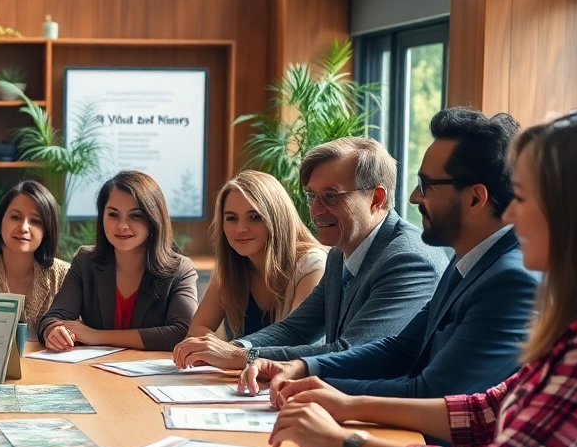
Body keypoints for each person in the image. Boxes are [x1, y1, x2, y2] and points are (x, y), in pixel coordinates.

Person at [214, 106, 577, 447]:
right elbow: (483, 407)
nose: (512, 214)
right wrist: (342, 400)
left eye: (522, 197)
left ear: (576, 212)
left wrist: (346, 442)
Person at [241, 109, 536, 404]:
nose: (414, 198)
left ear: (475, 198)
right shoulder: (467, 262)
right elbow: (400, 349)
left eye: (427, 186)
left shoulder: (509, 280)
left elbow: (432, 394)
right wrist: (303, 368)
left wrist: (319, 391)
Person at [175, 137, 448, 372]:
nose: (315, 210)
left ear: (376, 199)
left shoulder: (408, 259)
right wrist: (233, 348)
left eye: (330, 196)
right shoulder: (340, 253)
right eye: (311, 196)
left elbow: (351, 352)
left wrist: (243, 356)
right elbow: (296, 329)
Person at [39, 171, 199, 351]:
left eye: (135, 216)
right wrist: (53, 331)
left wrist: (97, 336)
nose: (122, 226)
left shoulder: (180, 269)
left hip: (151, 369)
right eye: (113, 215)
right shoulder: (85, 261)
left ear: (153, 219)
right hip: (92, 367)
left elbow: (183, 332)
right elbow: (53, 318)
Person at [184, 170, 327, 342]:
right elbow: (197, 329)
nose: (240, 229)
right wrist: (219, 350)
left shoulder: (312, 265)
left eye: (254, 217)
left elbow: (297, 341)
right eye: (231, 218)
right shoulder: (229, 267)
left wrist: (228, 351)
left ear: (277, 218)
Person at [0, 180, 71, 329]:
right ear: (0, 222)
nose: (24, 228)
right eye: (15, 217)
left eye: (35, 221)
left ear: (47, 231)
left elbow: (71, 329)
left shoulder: (63, 275)